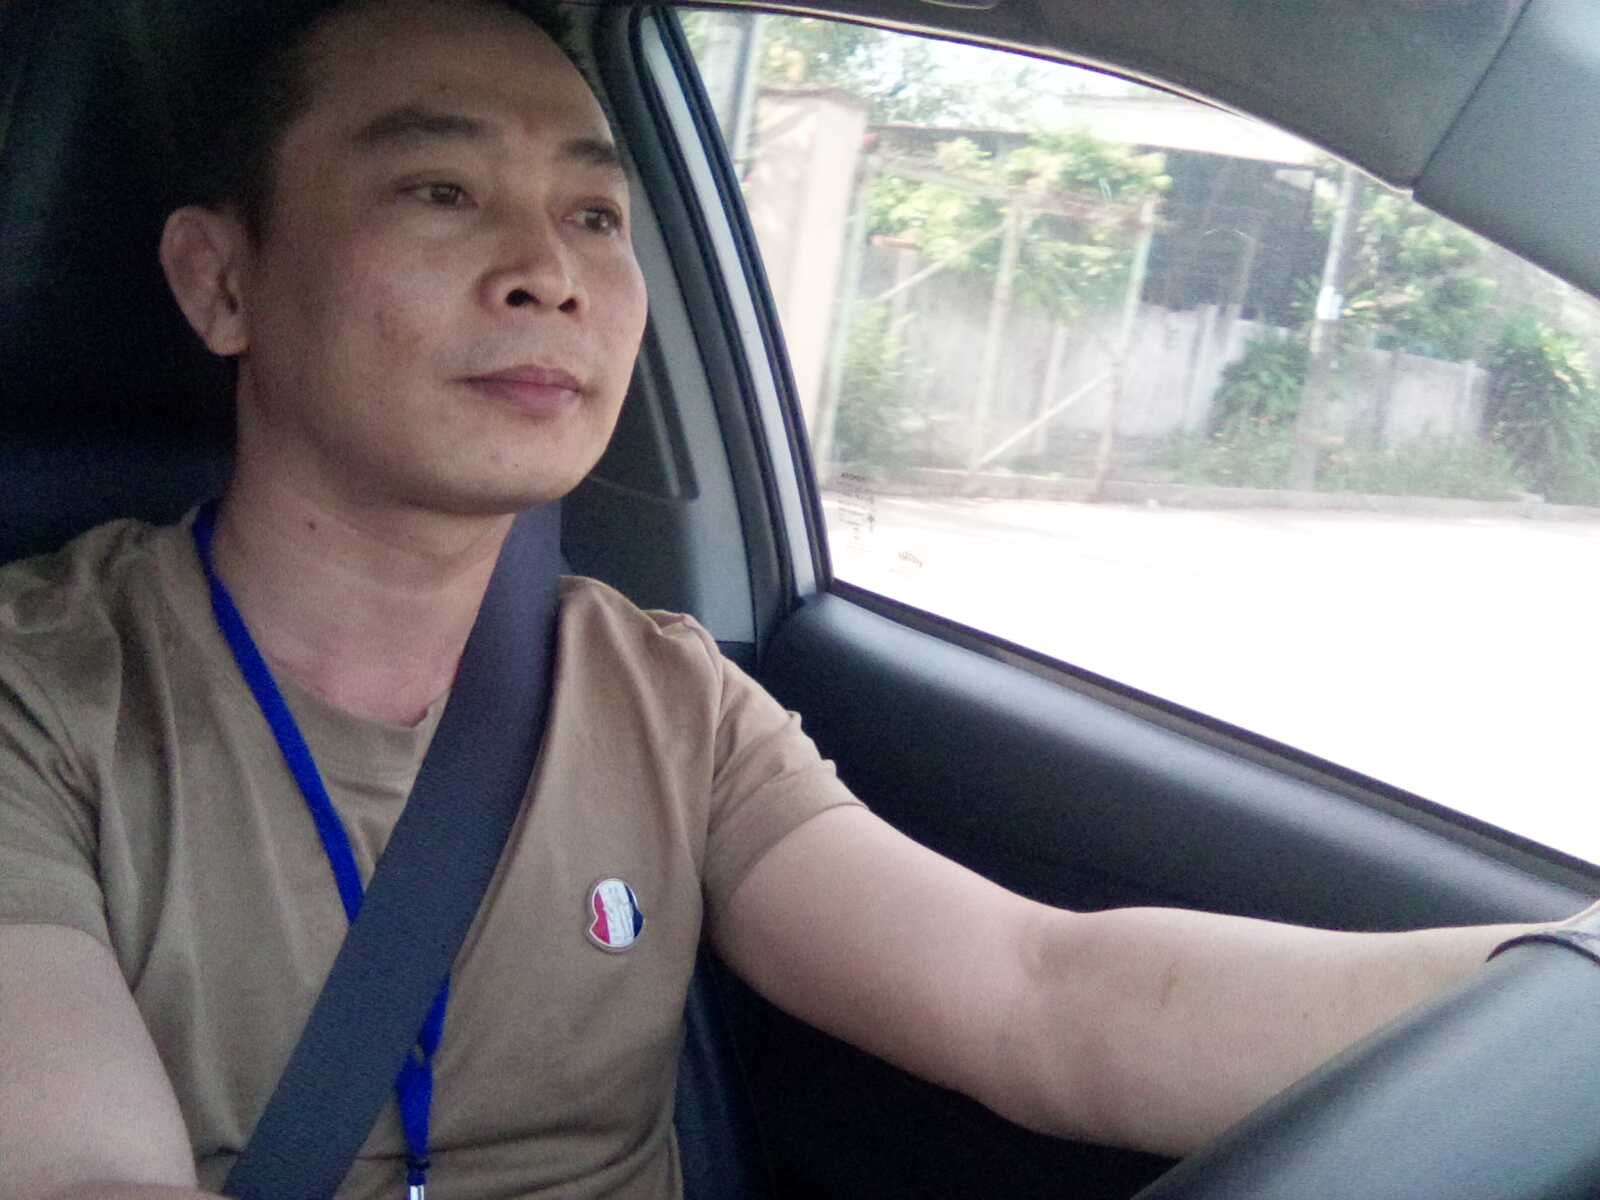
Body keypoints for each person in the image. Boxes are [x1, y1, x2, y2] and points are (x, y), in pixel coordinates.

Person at [0, 1, 1576, 1198]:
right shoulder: (42, 696)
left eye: (596, 214)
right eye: (439, 189)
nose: (551, 268)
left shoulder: (669, 701)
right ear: (220, 281)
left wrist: (1556, 973)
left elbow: (1042, 996)